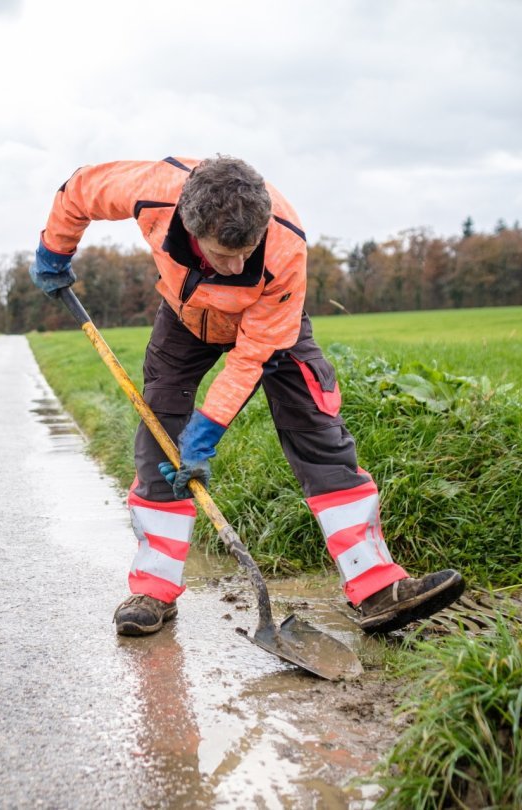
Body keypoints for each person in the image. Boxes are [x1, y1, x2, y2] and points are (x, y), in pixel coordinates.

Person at [30, 155, 465, 636]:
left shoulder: (284, 246)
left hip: (271, 326)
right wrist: (55, 250)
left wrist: (208, 429)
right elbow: (81, 190)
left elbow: (251, 355)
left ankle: (376, 584)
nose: (235, 265)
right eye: (222, 255)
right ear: (192, 231)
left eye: (246, 251)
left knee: (316, 429)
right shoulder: (152, 188)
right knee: (159, 437)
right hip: (184, 315)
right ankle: (153, 589)